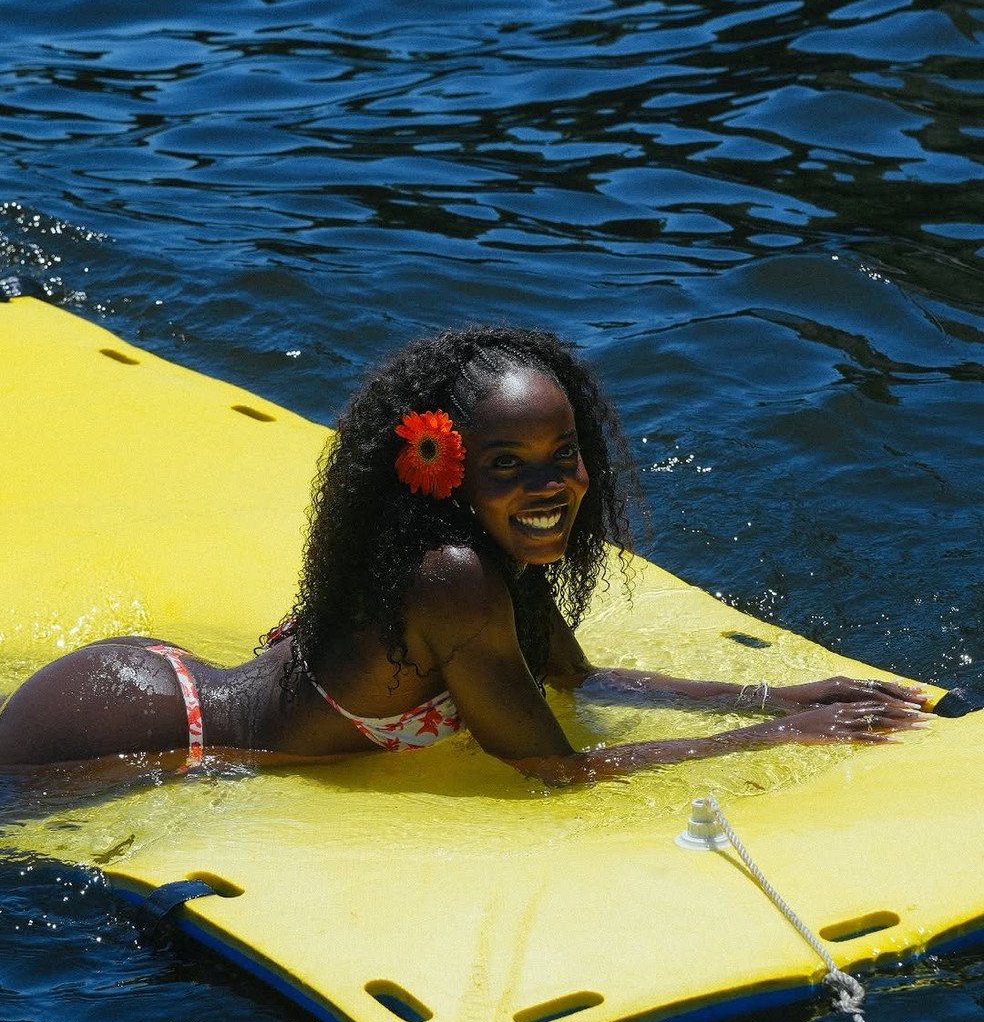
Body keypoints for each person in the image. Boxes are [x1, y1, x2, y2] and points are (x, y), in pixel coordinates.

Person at [0, 323, 931, 778]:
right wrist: (773, 738)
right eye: (506, 464)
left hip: (146, 689)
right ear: (447, 472)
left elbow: (585, 680)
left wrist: (781, 690)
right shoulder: (452, 579)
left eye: (563, 456)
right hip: (138, 725)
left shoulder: (495, 563)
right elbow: (555, 768)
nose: (549, 484)